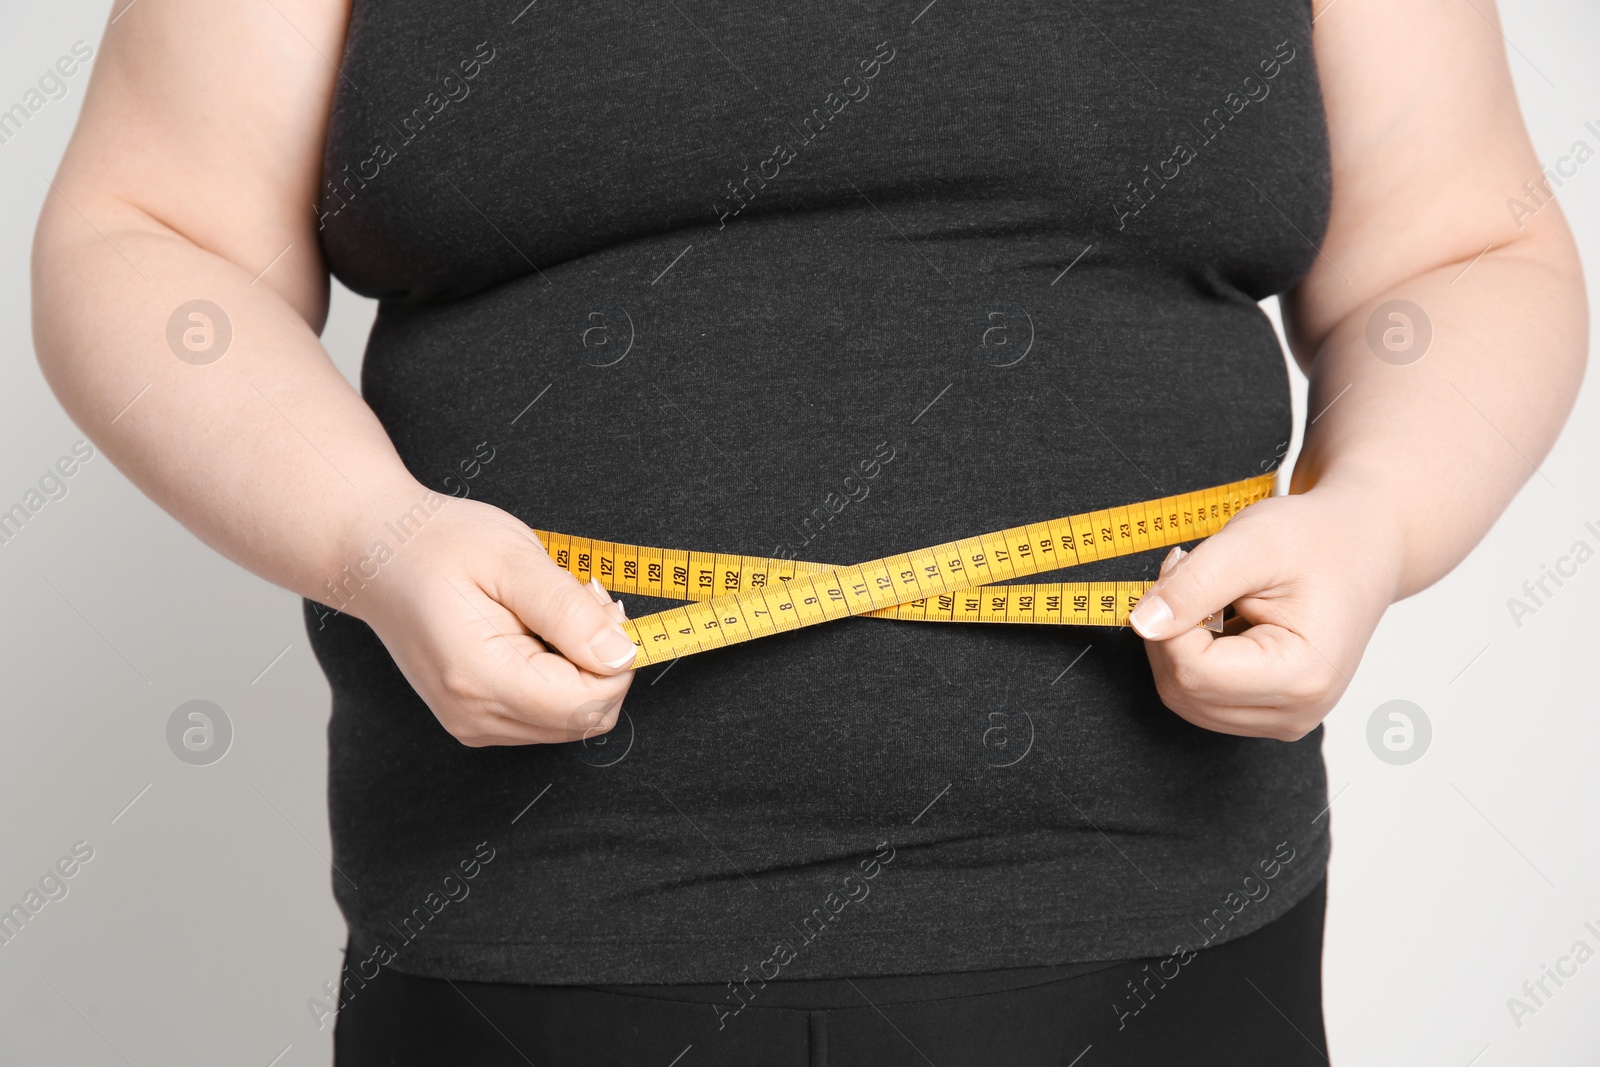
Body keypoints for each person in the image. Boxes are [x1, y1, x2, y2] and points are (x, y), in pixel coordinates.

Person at [32, 0, 1585, 1063]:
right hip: (531, 953)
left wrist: (1375, 520)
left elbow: (1460, 247)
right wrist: (371, 539)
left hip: (1173, 939)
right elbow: (147, 233)